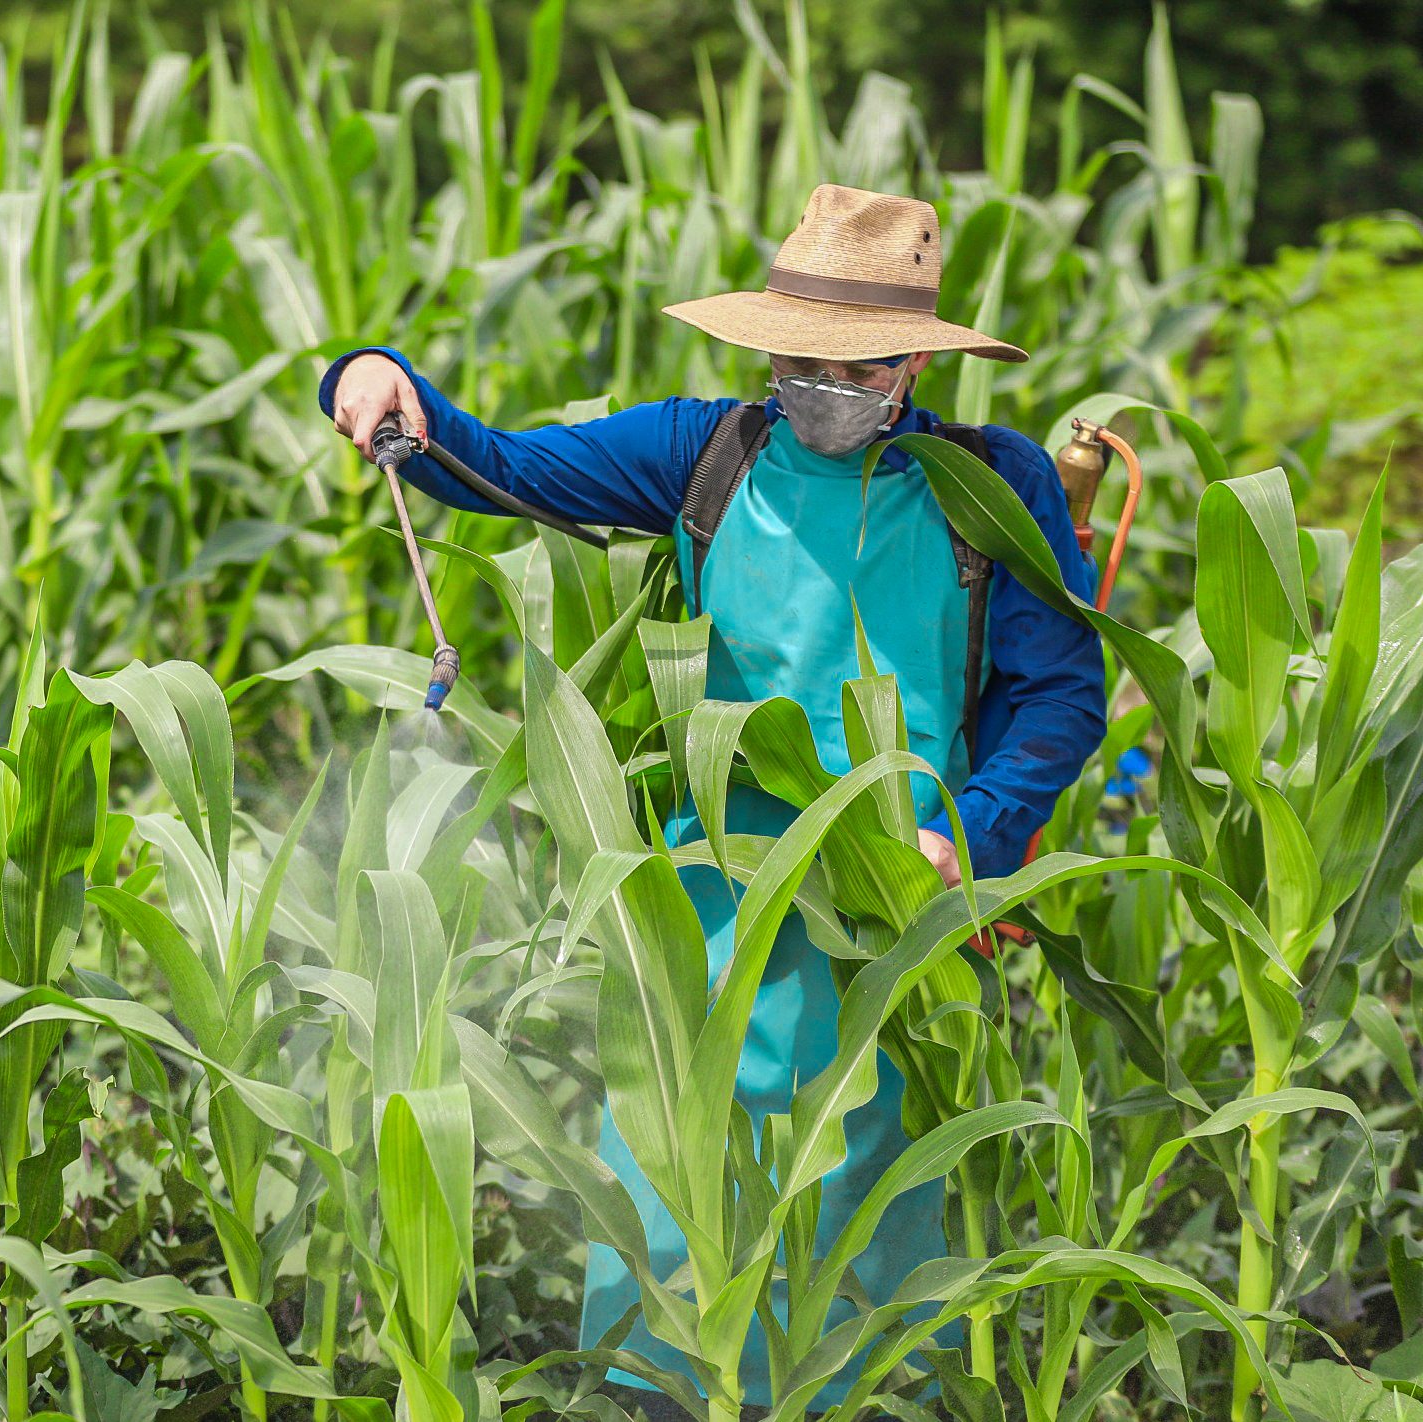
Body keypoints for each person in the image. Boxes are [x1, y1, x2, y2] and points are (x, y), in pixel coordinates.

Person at [318, 184, 1107, 1417]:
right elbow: (501, 466)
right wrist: (378, 381)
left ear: (911, 365)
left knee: (869, 1224)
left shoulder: (990, 488)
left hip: (902, 907)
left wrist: (975, 831)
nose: (816, 384)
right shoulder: (710, 454)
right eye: (796, 357)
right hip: (714, 901)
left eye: (850, 366)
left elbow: (1060, 692)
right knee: (676, 1206)